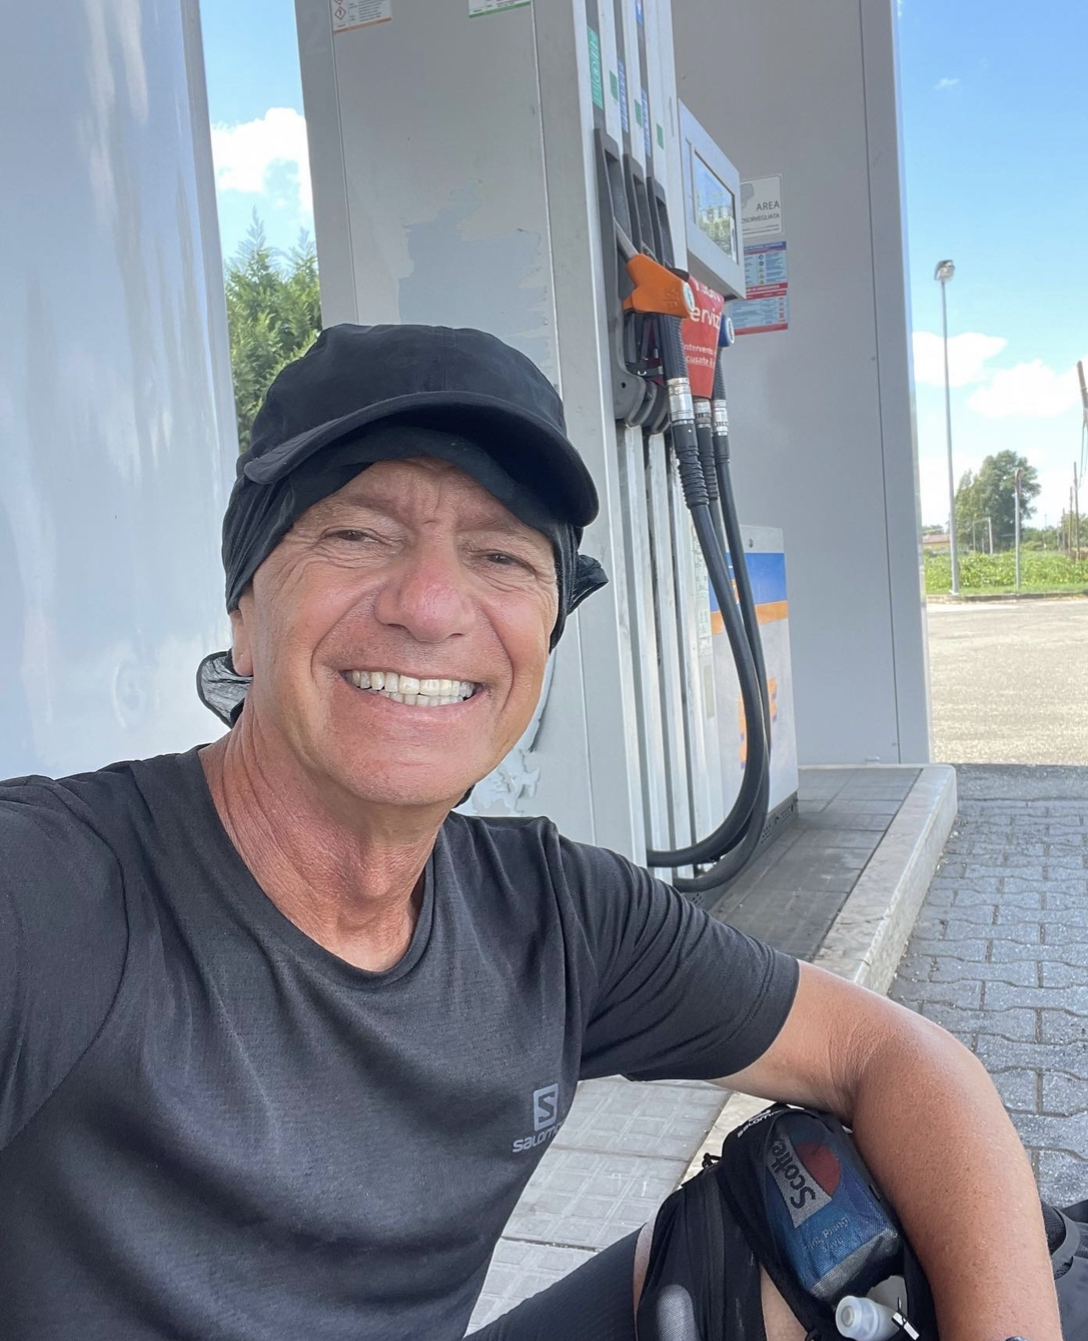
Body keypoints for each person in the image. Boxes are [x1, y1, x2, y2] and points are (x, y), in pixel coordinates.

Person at [0, 324, 1060, 1341]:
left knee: (827, 1234)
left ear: (545, 635)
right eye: (358, 533)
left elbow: (890, 1053)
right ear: (243, 607)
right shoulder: (53, 894)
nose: (430, 606)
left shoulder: (556, 915)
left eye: (501, 555)